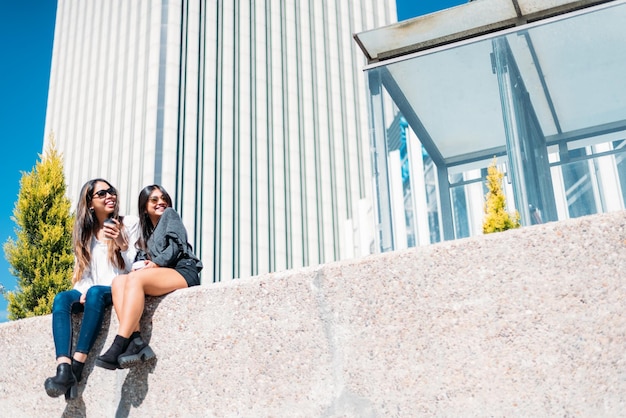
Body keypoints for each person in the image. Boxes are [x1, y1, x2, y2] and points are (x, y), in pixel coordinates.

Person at [44, 179, 139, 400]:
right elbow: (84, 275)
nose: (110, 196)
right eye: (102, 193)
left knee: (96, 292)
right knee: (62, 299)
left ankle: (77, 367)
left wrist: (122, 244)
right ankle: (63, 369)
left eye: (112, 191)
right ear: (90, 203)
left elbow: (134, 267)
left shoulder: (129, 224)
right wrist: (83, 291)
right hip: (93, 289)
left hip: (119, 288)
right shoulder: (86, 235)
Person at [95, 184, 202, 370]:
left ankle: (119, 344)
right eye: (154, 199)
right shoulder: (145, 234)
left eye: (164, 198)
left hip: (183, 270)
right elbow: (138, 260)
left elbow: (177, 246)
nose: (161, 202)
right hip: (162, 274)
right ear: (145, 206)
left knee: (134, 279)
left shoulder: (170, 215)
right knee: (119, 281)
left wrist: (155, 263)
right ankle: (136, 341)